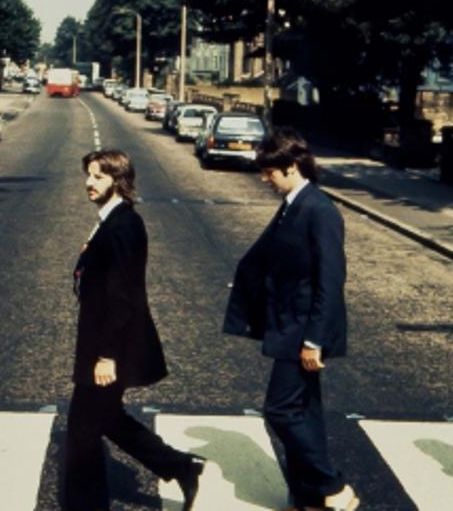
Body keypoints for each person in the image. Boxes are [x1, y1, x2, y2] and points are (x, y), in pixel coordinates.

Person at [224, 128, 357, 511]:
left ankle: (332, 487)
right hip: (289, 324)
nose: (265, 179)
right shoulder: (293, 204)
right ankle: (308, 498)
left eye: (270, 172)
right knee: (305, 413)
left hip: (303, 330)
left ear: (292, 166)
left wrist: (315, 340)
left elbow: (330, 281)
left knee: (280, 410)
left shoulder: (320, 210)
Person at [65, 149, 205, 511]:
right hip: (102, 339)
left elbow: (123, 297)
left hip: (110, 345)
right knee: (107, 418)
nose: (89, 182)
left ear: (118, 180)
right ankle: (180, 466)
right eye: (89, 175)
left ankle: (85, 505)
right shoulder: (111, 221)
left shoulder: (123, 225)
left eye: (98, 176)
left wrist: (107, 355)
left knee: (82, 429)